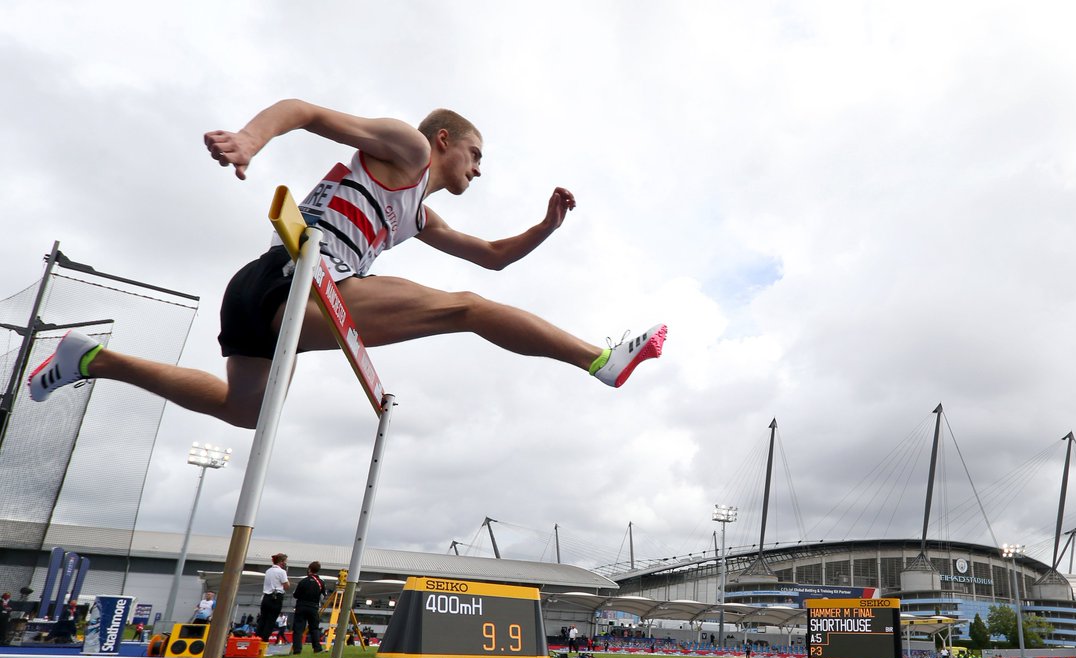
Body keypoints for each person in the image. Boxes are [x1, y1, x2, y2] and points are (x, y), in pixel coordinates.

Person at [27, 99, 667, 425]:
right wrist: (252, 139)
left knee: (246, 411)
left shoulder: (418, 214)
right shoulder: (409, 148)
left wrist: (546, 227)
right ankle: (601, 362)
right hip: (298, 275)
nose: (480, 167)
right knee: (464, 311)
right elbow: (305, 112)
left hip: (262, 292)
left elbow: (493, 258)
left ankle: (92, 360)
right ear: (444, 140)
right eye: (476, 153)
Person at [291, 560, 327, 654]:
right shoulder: (321, 582)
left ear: (309, 569)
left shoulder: (303, 581)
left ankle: (297, 649)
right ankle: (317, 648)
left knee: (298, 628)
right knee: (314, 628)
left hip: (301, 606)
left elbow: (295, 595)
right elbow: (323, 595)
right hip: (314, 607)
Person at [256, 553, 290, 642]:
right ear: (281, 562)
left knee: (263, 619)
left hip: (266, 597)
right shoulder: (282, 572)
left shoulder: (268, 571)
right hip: (276, 597)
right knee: (270, 621)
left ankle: (257, 638)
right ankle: (264, 640)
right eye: (285, 561)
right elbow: (286, 586)